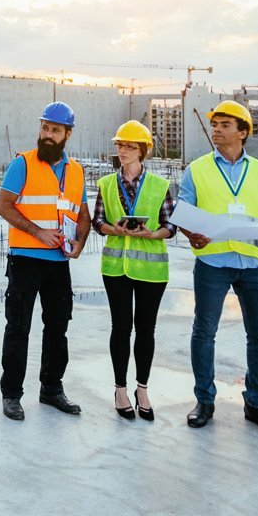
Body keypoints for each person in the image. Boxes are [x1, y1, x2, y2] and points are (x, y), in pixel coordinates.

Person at [177, 100, 258, 436]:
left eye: (224, 125)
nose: (216, 130)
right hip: (213, 263)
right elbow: (182, 211)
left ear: (243, 132)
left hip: (255, 266)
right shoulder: (198, 169)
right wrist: (193, 234)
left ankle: (256, 403)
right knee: (204, 333)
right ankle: (204, 400)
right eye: (214, 124)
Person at [0, 101, 91, 421]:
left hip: (58, 262)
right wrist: (37, 232)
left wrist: (79, 242)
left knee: (58, 328)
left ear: (67, 134)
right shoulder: (22, 164)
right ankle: (11, 394)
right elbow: (4, 206)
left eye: (55, 130)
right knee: (19, 328)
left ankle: (51, 389)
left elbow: (83, 215)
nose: (47, 135)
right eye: (45, 128)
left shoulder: (76, 171)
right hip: (25, 260)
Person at [91, 120, 174, 421]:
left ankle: (142, 388)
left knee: (146, 330)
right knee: (120, 328)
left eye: (129, 146)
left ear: (143, 151)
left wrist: (152, 234)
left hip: (151, 271)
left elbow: (170, 225)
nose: (122, 151)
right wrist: (112, 228)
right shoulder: (106, 184)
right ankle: (120, 389)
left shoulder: (159, 186)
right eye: (120, 145)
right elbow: (97, 221)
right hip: (116, 268)